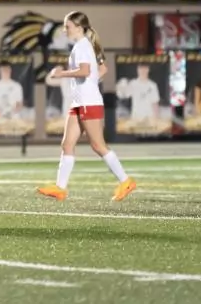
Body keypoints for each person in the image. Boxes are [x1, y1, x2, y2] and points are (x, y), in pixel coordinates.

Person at [37, 11, 136, 202]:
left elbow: (84, 71)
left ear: (79, 27)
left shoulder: (82, 46)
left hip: (88, 102)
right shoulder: (81, 46)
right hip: (79, 102)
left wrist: (61, 74)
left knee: (98, 145)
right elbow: (99, 70)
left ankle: (126, 181)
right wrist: (90, 82)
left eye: (67, 26)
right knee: (67, 144)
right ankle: (60, 188)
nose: (64, 30)